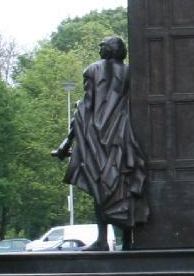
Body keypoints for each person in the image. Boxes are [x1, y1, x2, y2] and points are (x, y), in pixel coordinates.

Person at [51, 36, 150, 251]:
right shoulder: (130, 72)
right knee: (123, 184)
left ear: (107, 50)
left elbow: (87, 105)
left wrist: (67, 142)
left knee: (100, 184)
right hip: (122, 135)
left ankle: (102, 240)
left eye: (101, 46)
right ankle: (127, 240)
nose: (99, 50)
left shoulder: (93, 70)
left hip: (98, 136)